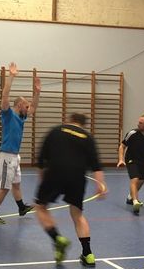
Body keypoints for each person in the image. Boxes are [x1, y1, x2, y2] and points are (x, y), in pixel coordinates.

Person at [35, 113, 106, 267]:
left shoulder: (55, 131)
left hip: (55, 172)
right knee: (77, 214)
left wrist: (43, 181)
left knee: (40, 207)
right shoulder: (87, 137)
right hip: (77, 177)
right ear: (83, 124)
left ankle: (57, 239)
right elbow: (96, 165)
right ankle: (88, 254)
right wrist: (101, 185)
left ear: (69, 121)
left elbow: (41, 160)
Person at [0, 62, 40, 224]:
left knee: (16, 184)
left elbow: (34, 108)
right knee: (4, 188)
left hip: (15, 157)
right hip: (6, 157)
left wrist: (37, 93)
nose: (28, 108)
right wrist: (11, 76)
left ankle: (21, 207)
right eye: (26, 105)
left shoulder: (22, 117)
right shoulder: (8, 114)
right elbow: (5, 96)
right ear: (19, 105)